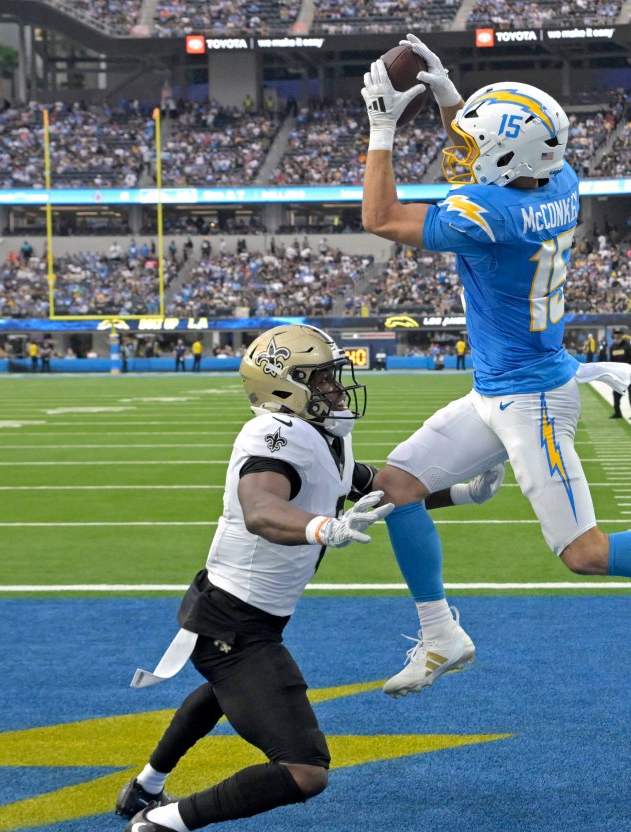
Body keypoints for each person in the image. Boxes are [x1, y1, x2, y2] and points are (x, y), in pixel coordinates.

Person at [358, 34, 631, 698]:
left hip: (531, 399)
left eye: (476, 144)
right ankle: (442, 634)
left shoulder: (491, 213)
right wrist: (453, 100)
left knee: (583, 552)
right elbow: (489, 161)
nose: (463, 153)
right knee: (396, 487)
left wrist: (382, 127)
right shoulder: (559, 180)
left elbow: (380, 216)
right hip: (502, 388)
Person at [117, 324, 506, 832]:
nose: (337, 389)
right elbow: (260, 508)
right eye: (321, 380)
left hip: (235, 612)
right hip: (234, 623)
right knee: (304, 771)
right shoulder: (275, 434)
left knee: (222, 691)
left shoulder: (323, 435)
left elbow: (385, 492)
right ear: (286, 387)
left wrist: (462, 495)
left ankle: (143, 787)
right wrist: (324, 527)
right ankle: (162, 823)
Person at [607, 329, 631, 419]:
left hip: (629, 374)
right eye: (616, 335)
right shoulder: (612, 347)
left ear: (622, 335)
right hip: (619, 375)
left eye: (619, 335)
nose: (617, 336)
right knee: (616, 394)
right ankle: (617, 412)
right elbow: (611, 362)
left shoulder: (628, 346)